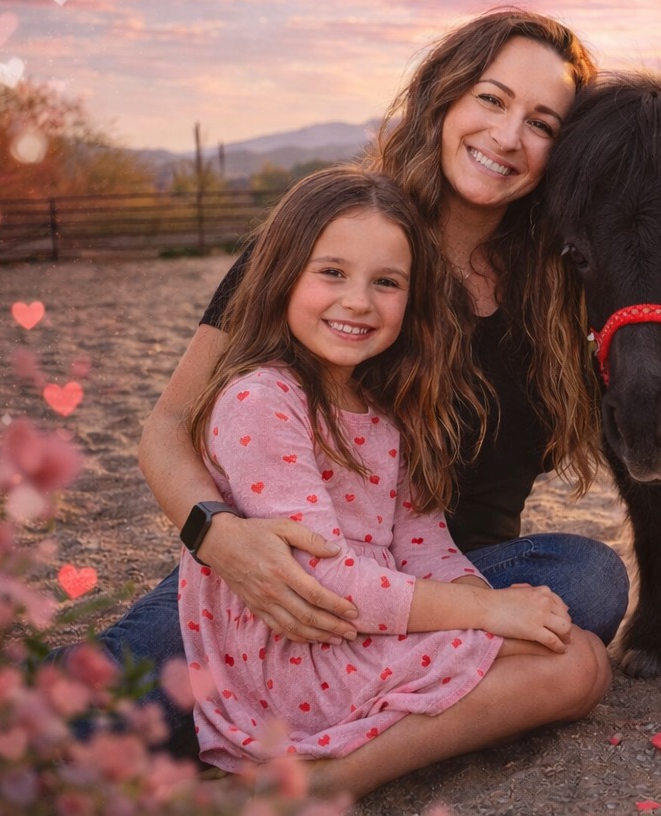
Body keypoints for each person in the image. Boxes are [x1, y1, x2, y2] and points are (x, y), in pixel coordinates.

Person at [87, 9, 628, 757]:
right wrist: (220, 537)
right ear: (444, 99)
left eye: (541, 122)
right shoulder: (337, 237)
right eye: (492, 99)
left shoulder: (563, 287)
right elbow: (166, 427)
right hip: (284, 572)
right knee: (80, 721)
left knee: (590, 578)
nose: (507, 137)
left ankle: (335, 752)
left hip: (450, 576)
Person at [180, 166, 607, 794]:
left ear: (411, 300)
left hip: (364, 621)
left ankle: (330, 769)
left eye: (386, 283)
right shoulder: (261, 399)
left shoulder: (385, 408)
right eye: (332, 272)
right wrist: (487, 609)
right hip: (299, 649)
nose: (358, 301)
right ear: (283, 274)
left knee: (581, 659)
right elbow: (321, 580)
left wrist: (485, 611)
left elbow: (422, 541)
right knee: (572, 668)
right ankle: (327, 782)